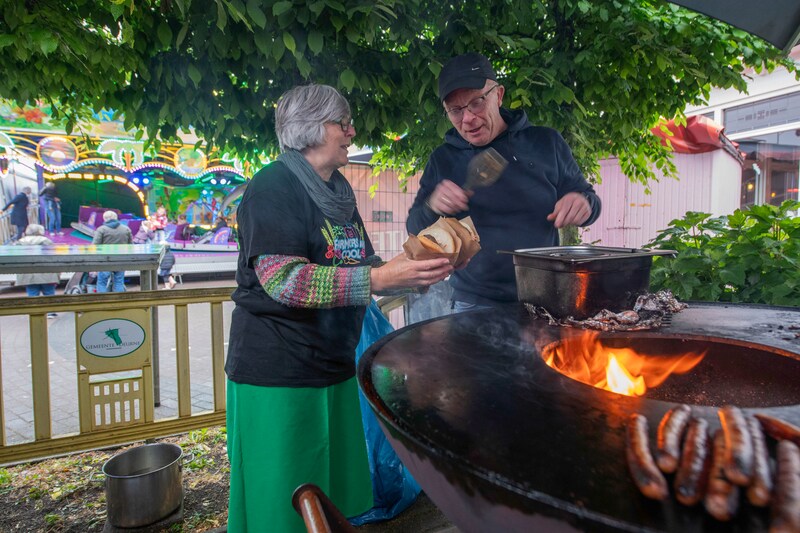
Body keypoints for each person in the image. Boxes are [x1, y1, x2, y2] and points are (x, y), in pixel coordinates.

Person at [225, 83, 453, 532]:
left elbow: (361, 265)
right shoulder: (273, 186)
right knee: (283, 507)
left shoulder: (338, 191)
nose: (351, 132)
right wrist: (379, 278)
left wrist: (411, 272)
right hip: (279, 373)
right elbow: (284, 281)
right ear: (310, 128)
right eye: (342, 123)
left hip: (333, 365)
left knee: (329, 501)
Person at [407, 52, 602, 311]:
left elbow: (590, 202)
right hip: (473, 302)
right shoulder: (443, 159)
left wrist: (583, 203)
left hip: (545, 296)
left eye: (476, 103)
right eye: (455, 110)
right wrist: (433, 205)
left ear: (498, 95)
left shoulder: (546, 143)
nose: (467, 119)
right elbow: (414, 228)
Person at [14, 224, 60, 309]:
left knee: (32, 296)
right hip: (47, 273)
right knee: (49, 295)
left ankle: (34, 312)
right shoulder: (47, 242)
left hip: (28, 274)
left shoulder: (20, 243)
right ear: (40, 231)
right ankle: (51, 312)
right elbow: (54, 258)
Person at [92, 210, 133, 292]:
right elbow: (130, 246)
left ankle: (102, 299)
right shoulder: (126, 229)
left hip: (105, 260)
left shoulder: (101, 230)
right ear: (116, 218)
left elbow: (95, 246)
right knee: (119, 282)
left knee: (102, 283)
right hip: (121, 260)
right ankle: (119, 299)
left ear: (104, 219)